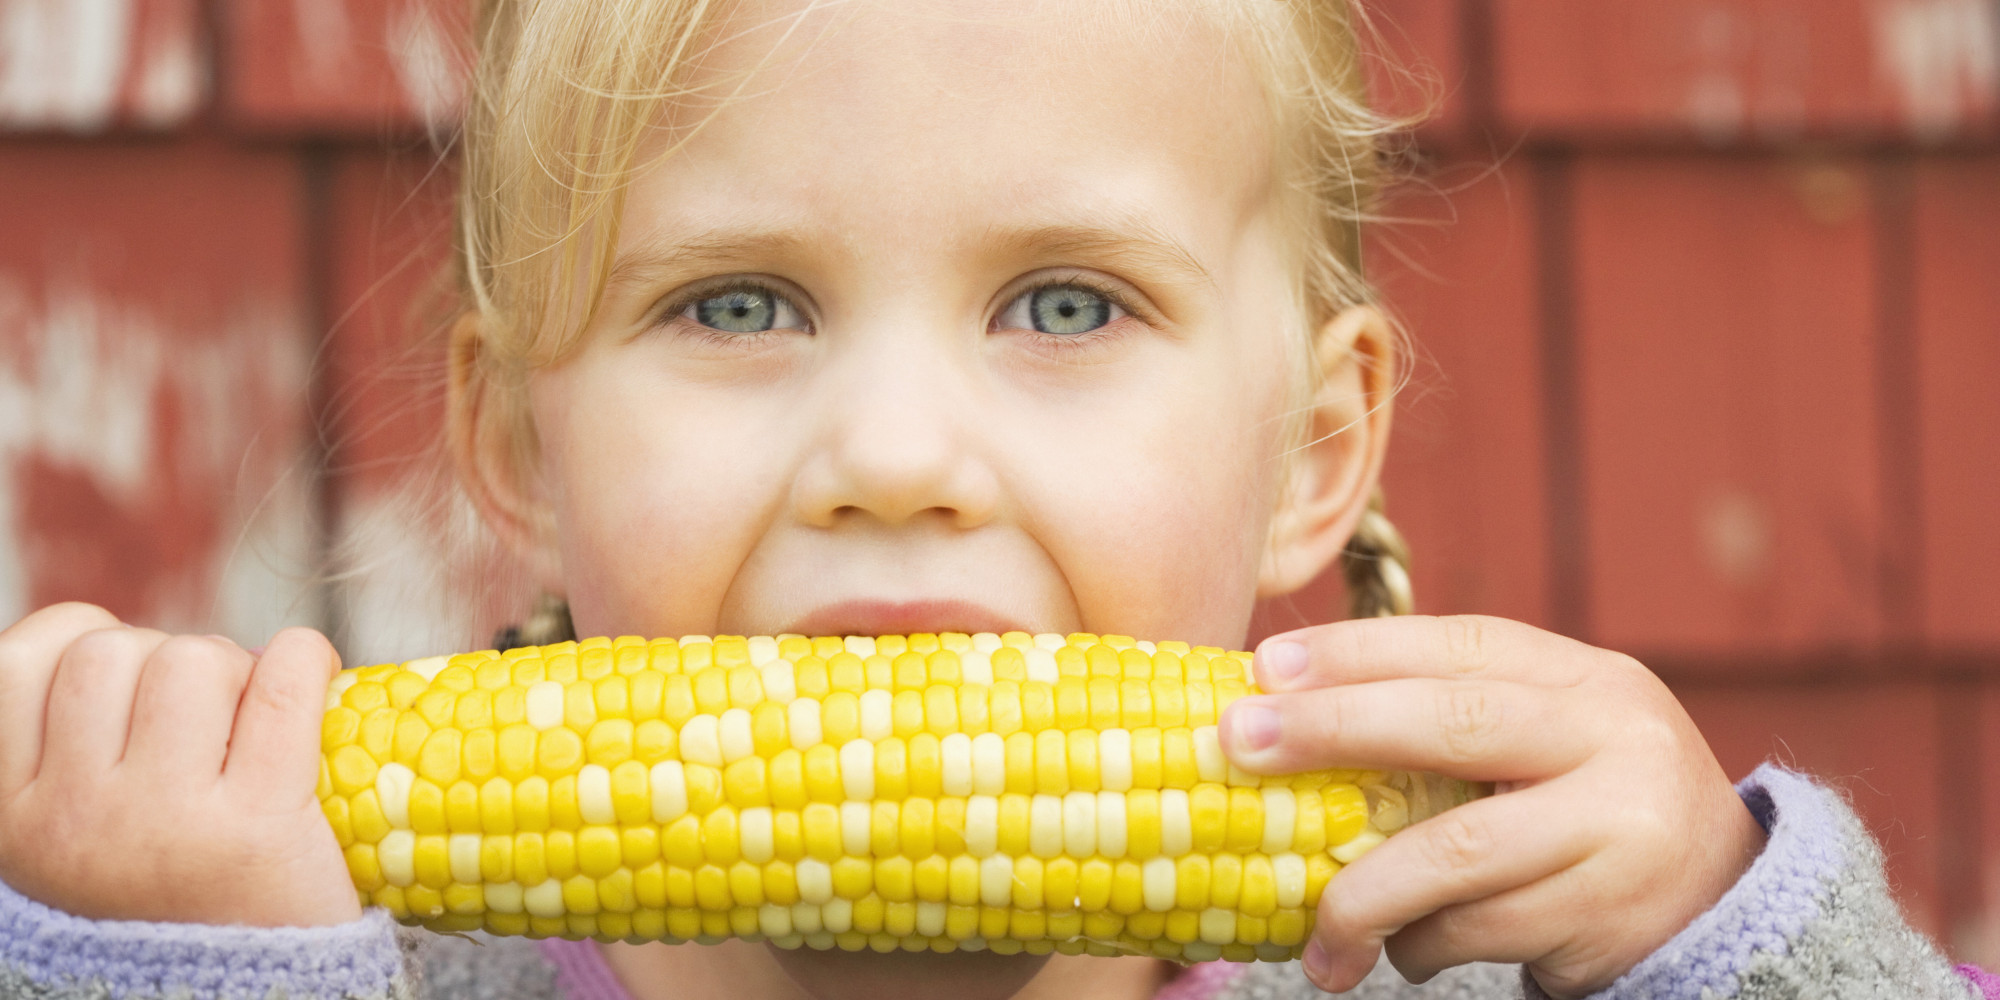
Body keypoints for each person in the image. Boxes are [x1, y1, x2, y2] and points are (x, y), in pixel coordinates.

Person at [0, 1, 1984, 998]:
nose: (894, 457)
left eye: (1062, 301)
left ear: (1314, 440)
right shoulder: (272, 943)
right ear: (515, 437)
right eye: (738, 301)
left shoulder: (1482, 974)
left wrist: (1728, 945)